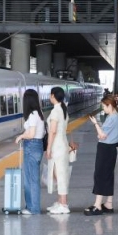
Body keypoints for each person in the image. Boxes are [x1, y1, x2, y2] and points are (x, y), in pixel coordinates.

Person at [84, 97, 118, 215]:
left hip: (105, 149)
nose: (103, 109)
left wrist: (95, 123)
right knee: (108, 175)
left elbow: (102, 135)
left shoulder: (112, 118)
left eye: (104, 106)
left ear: (110, 105)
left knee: (100, 175)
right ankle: (108, 203)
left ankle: (97, 205)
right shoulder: (115, 116)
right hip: (111, 149)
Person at [14, 89, 45, 215]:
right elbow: (42, 132)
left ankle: (33, 208)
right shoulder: (40, 113)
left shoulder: (32, 115)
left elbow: (31, 134)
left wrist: (21, 137)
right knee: (32, 178)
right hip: (37, 146)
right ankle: (31, 206)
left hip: (31, 147)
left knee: (31, 179)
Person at [46, 86, 71, 215]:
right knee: (59, 173)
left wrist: (48, 147)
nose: (49, 97)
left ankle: (63, 204)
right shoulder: (62, 109)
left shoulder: (56, 111)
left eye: (51, 95)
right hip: (62, 143)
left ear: (53, 96)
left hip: (57, 145)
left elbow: (53, 131)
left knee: (59, 174)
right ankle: (60, 201)